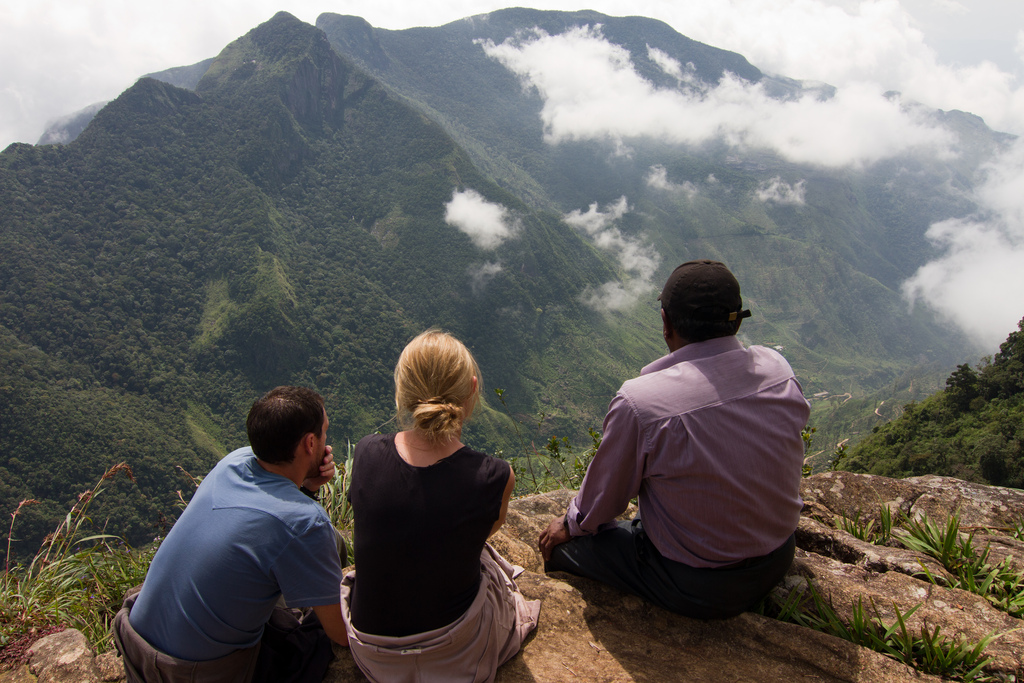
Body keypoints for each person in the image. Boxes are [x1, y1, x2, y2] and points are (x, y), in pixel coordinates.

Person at [539, 259, 810, 618]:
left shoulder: (642, 404)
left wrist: (569, 525)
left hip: (698, 586)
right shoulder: (778, 370)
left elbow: (604, 501)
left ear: (666, 324)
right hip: (778, 557)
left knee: (564, 549)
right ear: (738, 319)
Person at [341, 330, 540, 683]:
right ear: (473, 390)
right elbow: (483, 535)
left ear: (402, 391)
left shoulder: (367, 453)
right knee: (492, 567)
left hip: (373, 653)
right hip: (457, 654)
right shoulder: (494, 476)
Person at [113, 386, 348, 683]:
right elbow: (341, 634)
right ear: (310, 443)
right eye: (325, 433)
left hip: (135, 647)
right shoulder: (305, 523)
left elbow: (268, 514)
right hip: (190, 674)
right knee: (316, 637)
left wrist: (307, 485)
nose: (328, 442)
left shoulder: (233, 462)